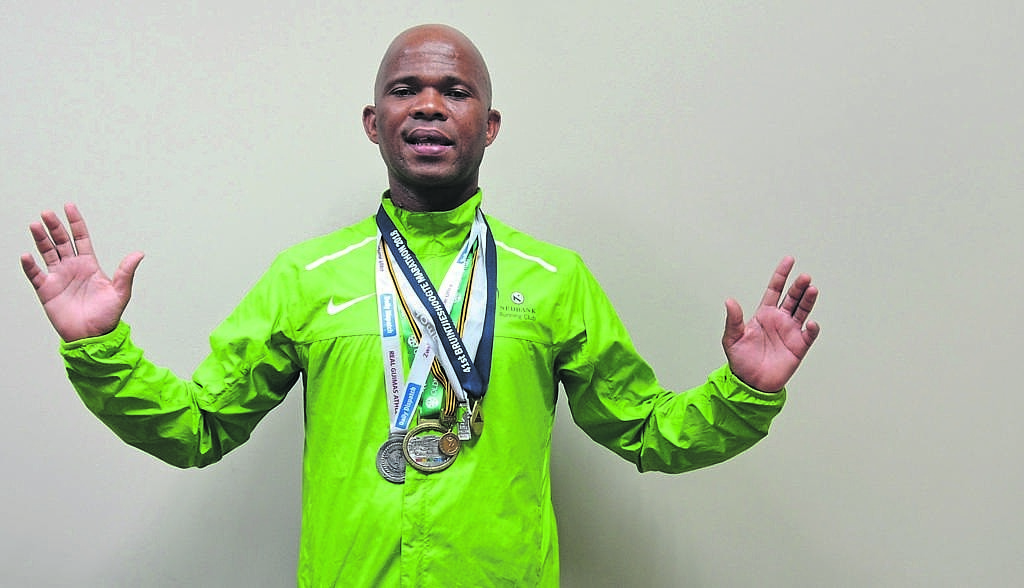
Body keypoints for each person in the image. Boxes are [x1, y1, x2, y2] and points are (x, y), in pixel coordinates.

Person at [21, 24, 819, 587]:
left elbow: (645, 430)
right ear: (376, 123)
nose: (430, 105)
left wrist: (744, 392)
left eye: (455, 91)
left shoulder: (554, 278)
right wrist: (99, 349)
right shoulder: (307, 276)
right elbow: (198, 427)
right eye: (406, 90)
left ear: (488, 125)